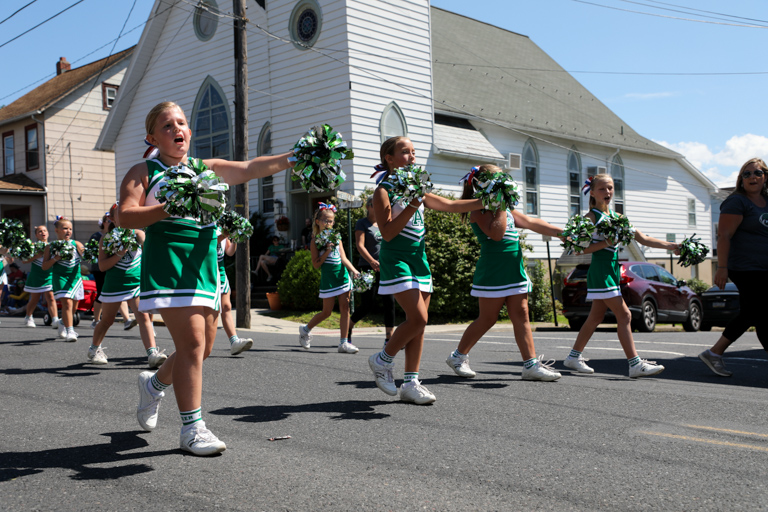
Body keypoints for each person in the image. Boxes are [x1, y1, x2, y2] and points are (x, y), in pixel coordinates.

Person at [118, 101, 295, 456]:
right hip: (168, 264)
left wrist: (295, 157)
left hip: (204, 268)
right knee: (194, 345)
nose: (177, 129)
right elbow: (126, 216)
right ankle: (192, 428)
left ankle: (154, 385)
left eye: (181, 123)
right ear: (152, 136)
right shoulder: (144, 171)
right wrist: (170, 206)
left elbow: (249, 168)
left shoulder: (206, 169)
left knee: (201, 348)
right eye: (167, 126)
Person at [367, 136, 483, 405]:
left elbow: (451, 206)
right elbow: (388, 232)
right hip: (396, 259)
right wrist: (412, 204)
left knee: (418, 325)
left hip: (419, 260)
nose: (412, 156)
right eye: (405, 152)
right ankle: (382, 359)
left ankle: (410, 383)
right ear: (390, 158)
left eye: (414, 152)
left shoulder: (416, 188)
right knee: (417, 318)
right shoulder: (383, 191)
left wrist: (484, 202)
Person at [446, 165, 563, 381]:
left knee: (522, 314)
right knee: (487, 319)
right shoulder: (478, 211)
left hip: (514, 270)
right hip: (493, 272)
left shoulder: (506, 209)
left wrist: (561, 233)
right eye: (497, 178)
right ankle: (457, 356)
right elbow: (497, 234)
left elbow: (531, 222)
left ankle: (530, 365)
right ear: (484, 184)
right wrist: (499, 203)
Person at [561, 174, 678, 378]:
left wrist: (671, 246)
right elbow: (579, 249)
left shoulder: (618, 218)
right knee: (625, 315)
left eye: (610, 188)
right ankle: (634, 364)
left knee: (596, 317)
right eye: (602, 189)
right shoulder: (590, 218)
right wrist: (608, 242)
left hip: (614, 269)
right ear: (593, 193)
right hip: (601, 270)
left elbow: (642, 238)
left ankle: (573, 357)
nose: (607, 192)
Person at [699, 158, 768, 377]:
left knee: (754, 312)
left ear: (765, 176)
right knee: (759, 310)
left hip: (764, 267)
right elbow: (724, 235)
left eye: (757, 173)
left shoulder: (766, 200)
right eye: (746, 174)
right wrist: (722, 267)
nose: (752, 178)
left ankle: (715, 353)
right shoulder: (737, 202)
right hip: (745, 267)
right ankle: (714, 353)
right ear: (740, 179)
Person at [86, 204, 165, 368]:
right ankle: (94, 349)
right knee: (107, 320)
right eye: (121, 215)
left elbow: (149, 249)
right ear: (112, 218)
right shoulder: (106, 238)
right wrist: (120, 253)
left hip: (136, 283)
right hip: (115, 285)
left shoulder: (138, 234)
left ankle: (152, 353)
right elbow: (102, 266)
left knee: (143, 317)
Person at [298, 203, 360, 354]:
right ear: (317, 221)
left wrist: (354, 271)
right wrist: (327, 251)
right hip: (328, 279)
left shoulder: (337, 237)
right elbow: (316, 265)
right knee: (327, 312)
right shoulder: (314, 241)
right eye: (326, 220)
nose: (328, 223)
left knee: (345, 308)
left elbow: (343, 258)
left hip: (342, 276)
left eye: (331, 221)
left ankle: (343, 343)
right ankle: (305, 330)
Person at [348, 196, 396, 346]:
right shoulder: (362, 223)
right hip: (366, 267)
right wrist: (371, 261)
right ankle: (347, 329)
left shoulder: (385, 223)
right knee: (367, 304)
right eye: (375, 205)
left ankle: (389, 339)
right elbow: (360, 245)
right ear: (369, 206)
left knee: (390, 302)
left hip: (385, 268)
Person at [42, 216, 84, 342]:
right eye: (65, 228)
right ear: (56, 230)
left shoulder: (76, 243)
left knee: (74, 306)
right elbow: (44, 266)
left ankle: (62, 322)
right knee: (67, 303)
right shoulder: (50, 246)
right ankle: (70, 330)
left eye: (70, 229)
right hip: (60, 277)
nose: (68, 231)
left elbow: (87, 256)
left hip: (75, 278)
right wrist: (56, 258)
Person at [217, 230, 253, 355]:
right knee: (210, 312)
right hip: (205, 271)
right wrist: (224, 235)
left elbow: (229, 251)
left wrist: (235, 239)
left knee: (226, 306)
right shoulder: (205, 223)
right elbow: (209, 243)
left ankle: (234, 341)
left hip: (220, 272)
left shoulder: (220, 226)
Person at [23, 225, 58, 328]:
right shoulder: (32, 246)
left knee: (51, 297)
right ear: (36, 235)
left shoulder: (53, 246)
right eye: (39, 231)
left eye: (45, 230)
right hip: (36, 275)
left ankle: (55, 319)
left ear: (48, 233)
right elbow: (24, 261)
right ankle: (28, 317)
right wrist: (36, 256)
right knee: (34, 299)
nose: (43, 233)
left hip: (49, 274)